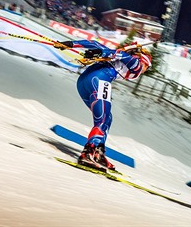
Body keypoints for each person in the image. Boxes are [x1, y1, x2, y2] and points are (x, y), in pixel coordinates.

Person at [53, 39, 152, 170]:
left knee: (107, 118)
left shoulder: (122, 56)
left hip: (83, 82)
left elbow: (94, 44)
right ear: (144, 61)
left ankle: (98, 152)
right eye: (147, 66)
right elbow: (120, 55)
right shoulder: (137, 65)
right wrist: (101, 52)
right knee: (103, 119)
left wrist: (70, 44)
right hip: (100, 80)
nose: (145, 70)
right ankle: (88, 152)